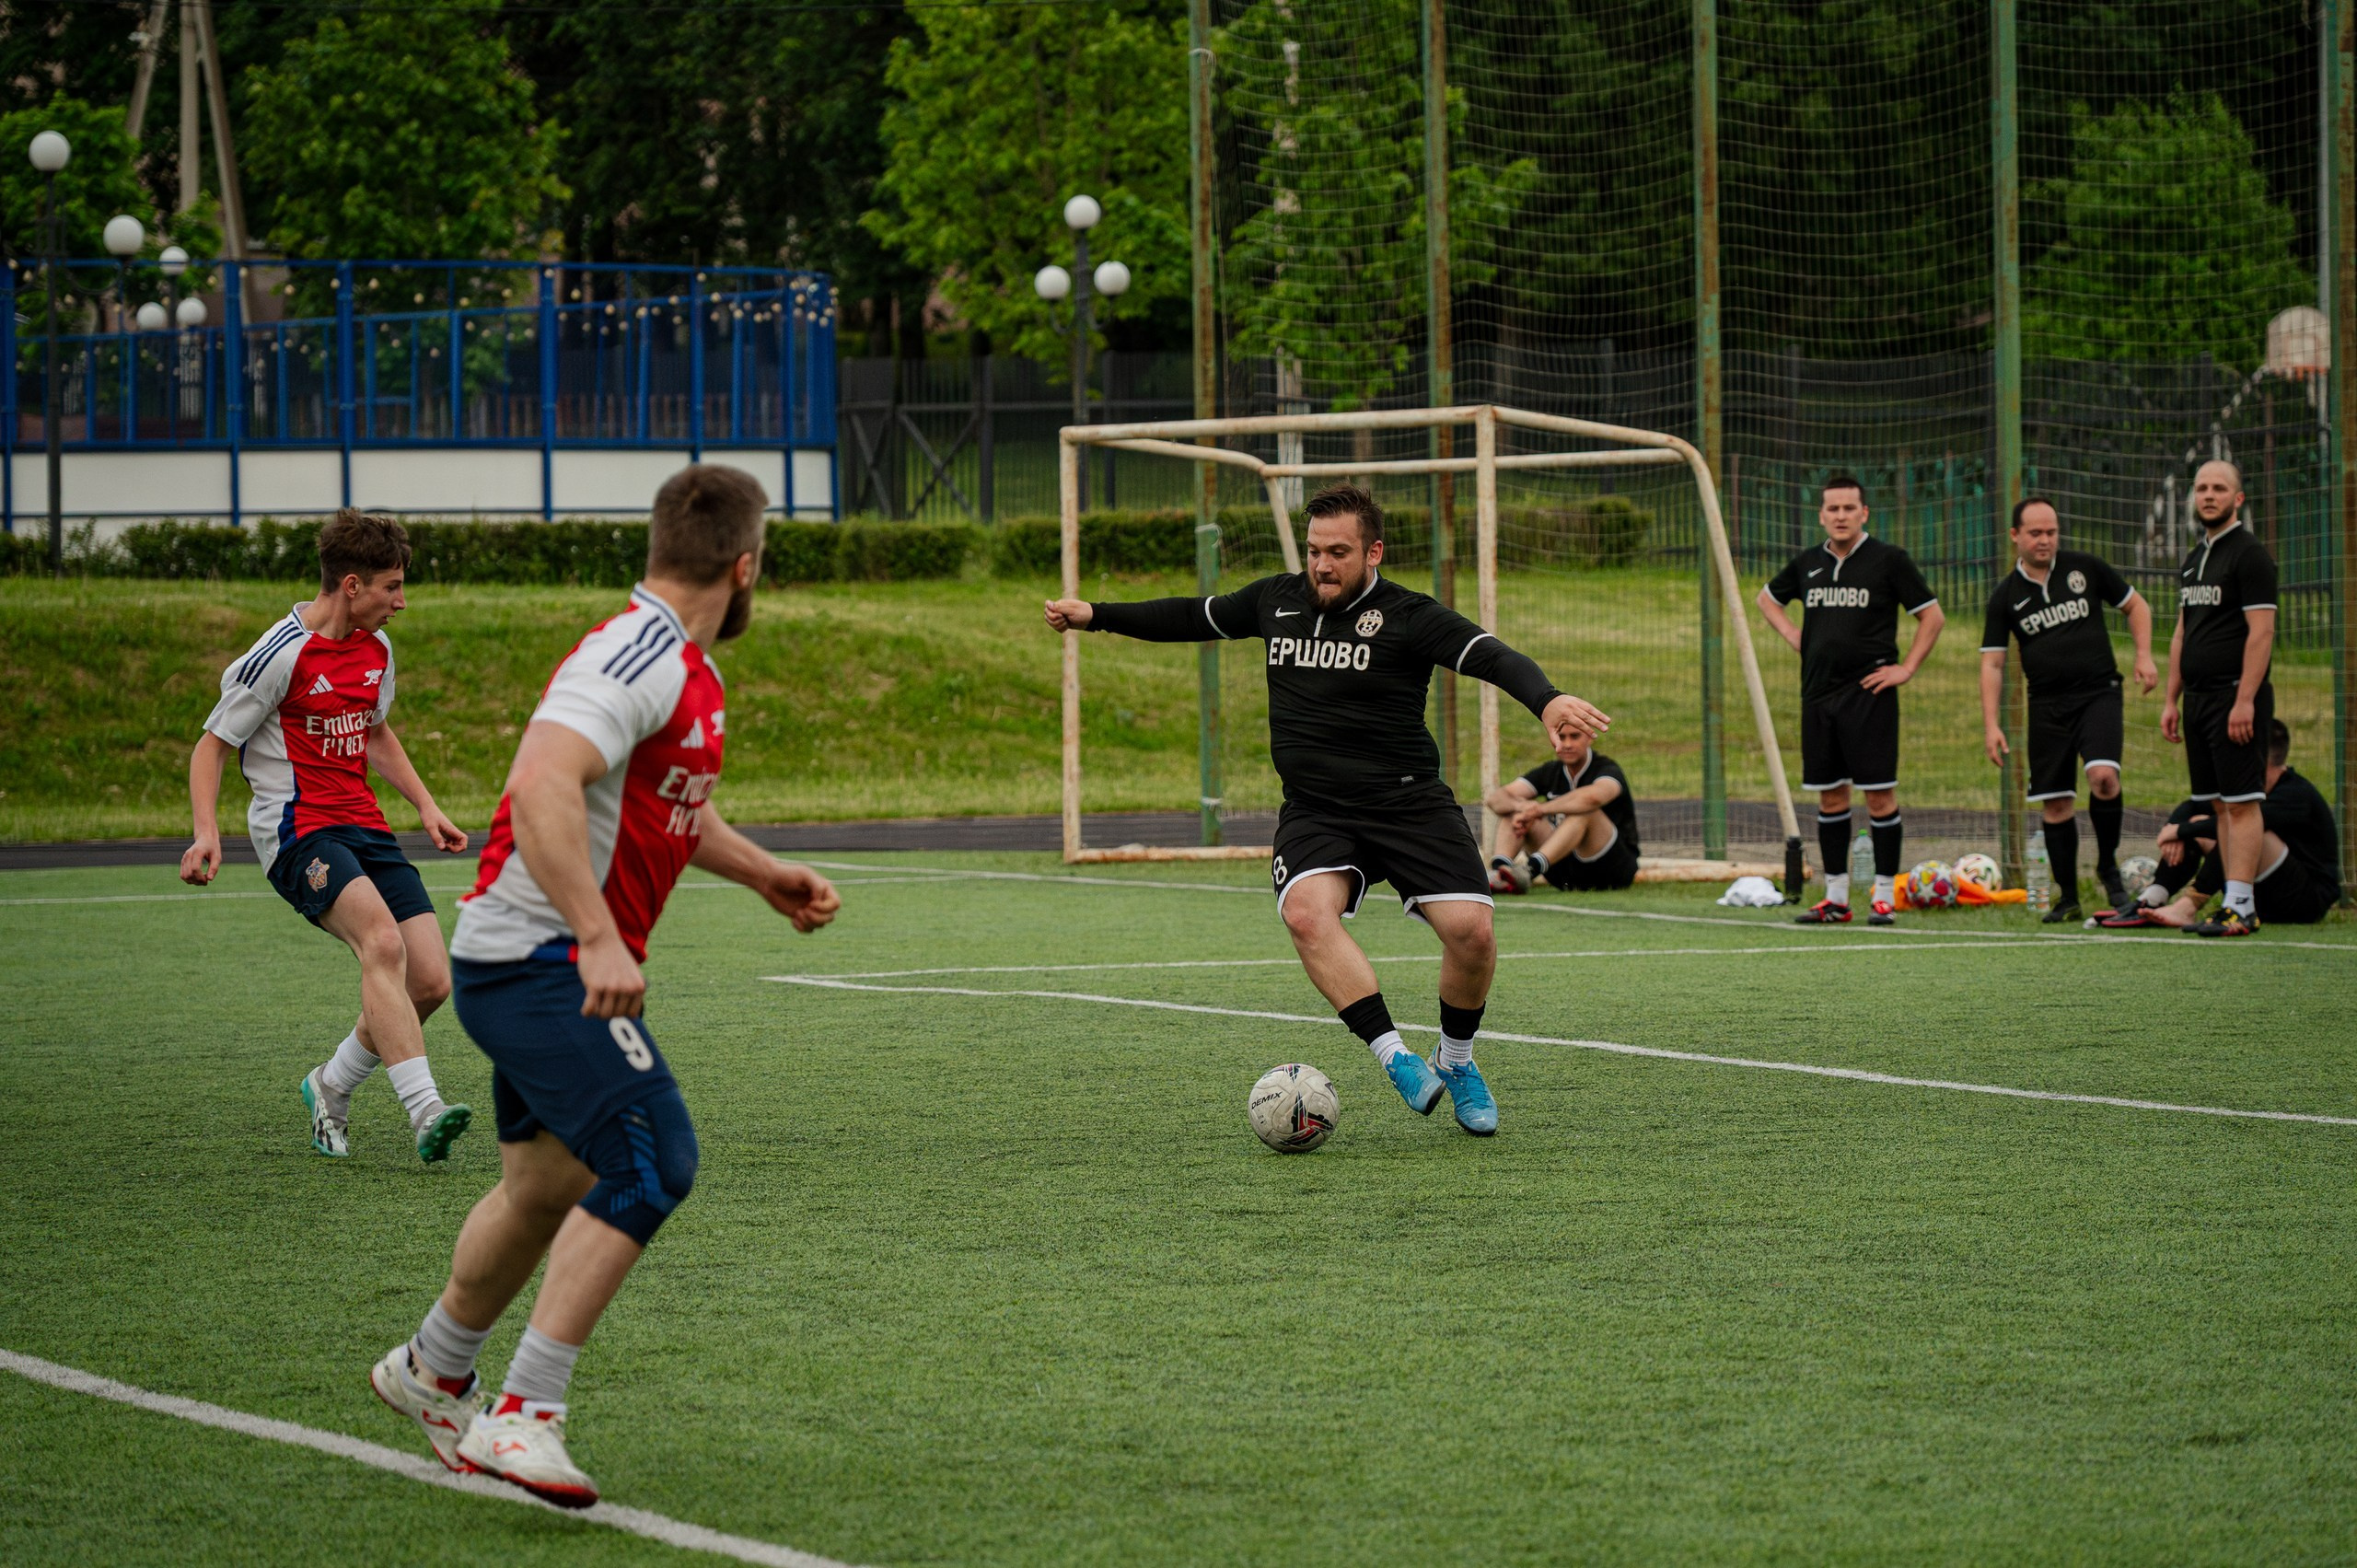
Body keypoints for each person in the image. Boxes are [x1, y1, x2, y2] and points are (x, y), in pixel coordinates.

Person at [371, 465, 842, 1507]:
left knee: (547, 1185)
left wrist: (766, 873)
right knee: (654, 1157)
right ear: (745, 564)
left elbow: (663, 803)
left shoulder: (683, 663)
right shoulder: (638, 653)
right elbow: (541, 778)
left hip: (532, 958)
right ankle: (526, 1414)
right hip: (536, 959)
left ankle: (434, 1369)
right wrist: (593, 935)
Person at [1043, 483, 1610, 1138]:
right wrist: (1096, 613)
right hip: (1318, 810)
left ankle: (1455, 1060)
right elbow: (1191, 616)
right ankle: (1395, 1056)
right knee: (1307, 914)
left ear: (1373, 551)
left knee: (1472, 933)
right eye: (1314, 550)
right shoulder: (1274, 600)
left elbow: (1489, 654)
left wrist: (1545, 700)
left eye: (1337, 552)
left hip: (1408, 803)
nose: (1321, 565)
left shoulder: (1408, 614)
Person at [180, 510, 472, 1163]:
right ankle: (425, 1110)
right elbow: (211, 745)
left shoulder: (377, 648)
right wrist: (207, 832)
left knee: (430, 980)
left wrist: (426, 805)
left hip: (362, 822)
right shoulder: (279, 653)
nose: (401, 601)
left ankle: (331, 1084)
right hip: (297, 829)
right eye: (392, 587)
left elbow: (373, 730)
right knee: (382, 940)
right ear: (350, 584)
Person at [1757, 473, 1945, 925]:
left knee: (1879, 797)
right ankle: (1837, 898)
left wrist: (1908, 668)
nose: (1840, 516)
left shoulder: (1889, 560)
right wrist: (1796, 637)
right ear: (1821, 515)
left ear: (1864, 513)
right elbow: (1767, 599)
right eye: (1832, 509)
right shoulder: (1807, 564)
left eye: (1849, 508)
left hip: (1870, 694)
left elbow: (1932, 617)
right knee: (1831, 798)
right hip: (1818, 695)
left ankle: (1884, 896)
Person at [1978, 496, 2158, 921]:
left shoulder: (2084, 569)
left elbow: (2136, 605)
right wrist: (1991, 725)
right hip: (2047, 706)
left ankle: (2109, 869)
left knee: (2103, 778)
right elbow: (1992, 662)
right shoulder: (2006, 596)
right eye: (2036, 533)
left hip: (2098, 694)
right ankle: (2069, 896)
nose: (2045, 541)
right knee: (2055, 804)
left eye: (2052, 532)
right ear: (2015, 536)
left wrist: (2144, 656)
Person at [2151, 459, 2279, 937]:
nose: (2208, 495)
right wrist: (2170, 700)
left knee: (2243, 802)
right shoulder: (2193, 558)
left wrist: (2245, 699)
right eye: (2202, 488)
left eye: (2219, 488)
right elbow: (2183, 633)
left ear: (2238, 498)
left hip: (2233, 698)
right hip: (2198, 700)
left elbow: (2261, 634)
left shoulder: (2249, 556)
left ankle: (2243, 906)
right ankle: (2230, 903)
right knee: (2220, 806)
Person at [2103, 720, 2338, 930]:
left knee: (2242, 831)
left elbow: (2242, 828)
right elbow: (2193, 806)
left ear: (2260, 761)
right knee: (2203, 824)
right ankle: (2153, 898)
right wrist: (2176, 829)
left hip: (2304, 902)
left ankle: (2187, 907)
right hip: (2262, 897)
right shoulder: (2250, 791)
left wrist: (2181, 830)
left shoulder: (2297, 794)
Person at [1482, 727, 1639, 894]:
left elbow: (1593, 798)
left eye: (1574, 737)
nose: (1567, 744)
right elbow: (1496, 799)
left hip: (1611, 870)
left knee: (1585, 811)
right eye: (1561, 737)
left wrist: (1540, 809)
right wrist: (1522, 808)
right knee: (1514, 812)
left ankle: (1529, 871)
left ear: (1590, 737)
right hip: (1564, 872)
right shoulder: (1551, 771)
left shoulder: (1607, 769)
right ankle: (1499, 874)